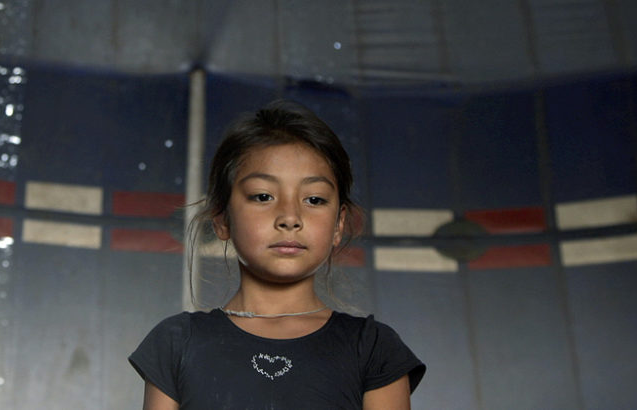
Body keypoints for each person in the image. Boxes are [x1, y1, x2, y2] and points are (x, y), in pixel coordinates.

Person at [129, 100, 426, 409]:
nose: (290, 217)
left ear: (339, 224)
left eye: (314, 199)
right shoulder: (177, 343)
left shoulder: (373, 349)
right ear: (222, 218)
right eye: (263, 196)